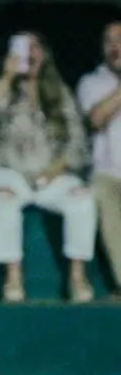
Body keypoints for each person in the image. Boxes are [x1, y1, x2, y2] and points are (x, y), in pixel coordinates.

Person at [0, 31, 95, 303]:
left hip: (50, 176)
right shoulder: (1, 88)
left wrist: (58, 168)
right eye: (22, 48)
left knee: (82, 199)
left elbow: (78, 142)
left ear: (45, 53)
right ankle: (13, 277)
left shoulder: (60, 93)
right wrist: (6, 78)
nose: (29, 53)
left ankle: (78, 276)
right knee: (3, 199)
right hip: (8, 171)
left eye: (35, 47)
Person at [77, 21, 121, 295]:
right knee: (108, 199)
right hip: (109, 173)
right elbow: (96, 119)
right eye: (110, 41)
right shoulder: (91, 82)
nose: (115, 46)